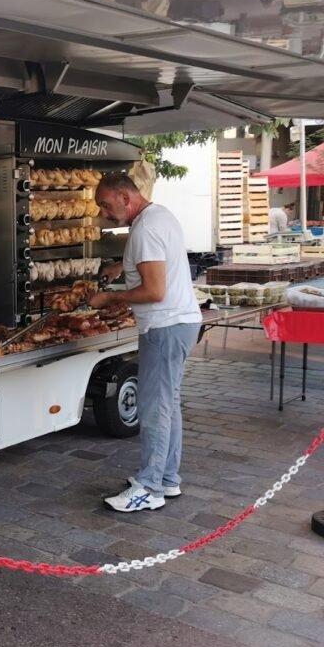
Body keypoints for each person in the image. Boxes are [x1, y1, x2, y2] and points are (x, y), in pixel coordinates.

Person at [88, 173, 202, 513]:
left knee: (154, 407)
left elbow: (154, 290)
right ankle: (167, 478)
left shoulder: (145, 229)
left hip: (165, 326)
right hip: (178, 323)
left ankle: (149, 487)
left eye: (106, 206)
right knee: (168, 402)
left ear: (125, 197)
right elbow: (151, 266)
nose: (105, 214)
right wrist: (118, 267)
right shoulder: (158, 216)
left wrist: (110, 298)